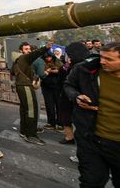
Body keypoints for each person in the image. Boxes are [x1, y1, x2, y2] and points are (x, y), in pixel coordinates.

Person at [64, 42, 120, 187]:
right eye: (101, 57)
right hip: (90, 140)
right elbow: (68, 85)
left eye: (109, 59)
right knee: (91, 182)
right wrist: (76, 96)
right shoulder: (85, 69)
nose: (102, 62)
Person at [12, 42, 52, 145]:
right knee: (31, 110)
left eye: (29, 48)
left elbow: (12, 72)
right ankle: (31, 135)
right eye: (26, 49)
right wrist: (46, 48)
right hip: (25, 86)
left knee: (24, 109)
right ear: (21, 51)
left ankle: (24, 131)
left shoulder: (17, 60)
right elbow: (36, 54)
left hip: (21, 85)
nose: (29, 50)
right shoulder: (25, 57)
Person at [57, 42, 90, 144]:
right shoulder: (90, 65)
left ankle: (69, 137)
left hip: (71, 98)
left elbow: (63, 81)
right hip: (82, 99)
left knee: (67, 118)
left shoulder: (70, 68)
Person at [40, 53, 63, 130]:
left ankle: (60, 123)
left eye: (50, 57)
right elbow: (41, 72)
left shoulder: (58, 61)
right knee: (49, 105)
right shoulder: (41, 62)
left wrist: (51, 71)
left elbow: (61, 70)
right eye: (46, 57)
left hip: (57, 86)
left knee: (59, 105)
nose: (48, 59)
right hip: (46, 86)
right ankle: (51, 123)